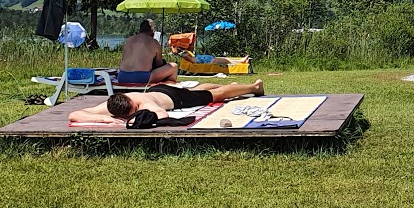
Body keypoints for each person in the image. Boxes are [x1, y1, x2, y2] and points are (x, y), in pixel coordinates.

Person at [68, 78, 267, 127]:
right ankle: (235, 85)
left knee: (219, 94)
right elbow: (74, 115)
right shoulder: (112, 105)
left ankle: (253, 87)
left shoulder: (144, 104)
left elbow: (162, 116)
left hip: (175, 99)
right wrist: (105, 121)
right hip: (161, 89)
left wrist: (136, 120)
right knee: (198, 88)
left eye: (132, 111)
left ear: (133, 104)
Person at [117, 18, 178, 85]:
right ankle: (167, 89)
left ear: (140, 29)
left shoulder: (129, 40)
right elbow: (159, 65)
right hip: (141, 78)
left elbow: (123, 59)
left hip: (122, 76)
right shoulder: (154, 42)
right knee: (174, 66)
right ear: (153, 31)